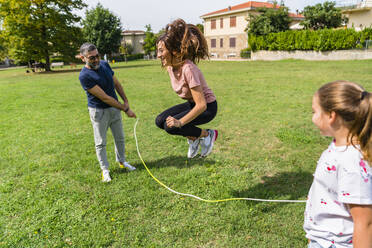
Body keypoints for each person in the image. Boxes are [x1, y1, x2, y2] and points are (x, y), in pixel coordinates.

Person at [304, 80, 372, 248]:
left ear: (331, 116)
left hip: (335, 244)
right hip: (322, 238)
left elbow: (365, 223)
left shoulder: (351, 163)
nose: (312, 117)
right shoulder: (338, 145)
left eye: (315, 111)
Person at [155, 19, 218, 158]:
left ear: (175, 52)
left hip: (208, 107)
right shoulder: (171, 67)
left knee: (171, 126)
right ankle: (193, 138)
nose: (158, 55)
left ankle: (208, 135)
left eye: (161, 50)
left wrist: (180, 122)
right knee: (160, 121)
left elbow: (201, 105)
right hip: (192, 104)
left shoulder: (188, 69)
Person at [78, 43, 136, 182]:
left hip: (114, 109)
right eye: (92, 58)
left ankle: (122, 161)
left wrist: (125, 101)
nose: (96, 60)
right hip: (99, 112)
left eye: (97, 56)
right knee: (101, 142)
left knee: (120, 138)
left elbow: (116, 84)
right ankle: (105, 170)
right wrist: (125, 109)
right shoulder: (84, 76)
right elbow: (104, 97)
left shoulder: (104, 65)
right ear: (83, 58)